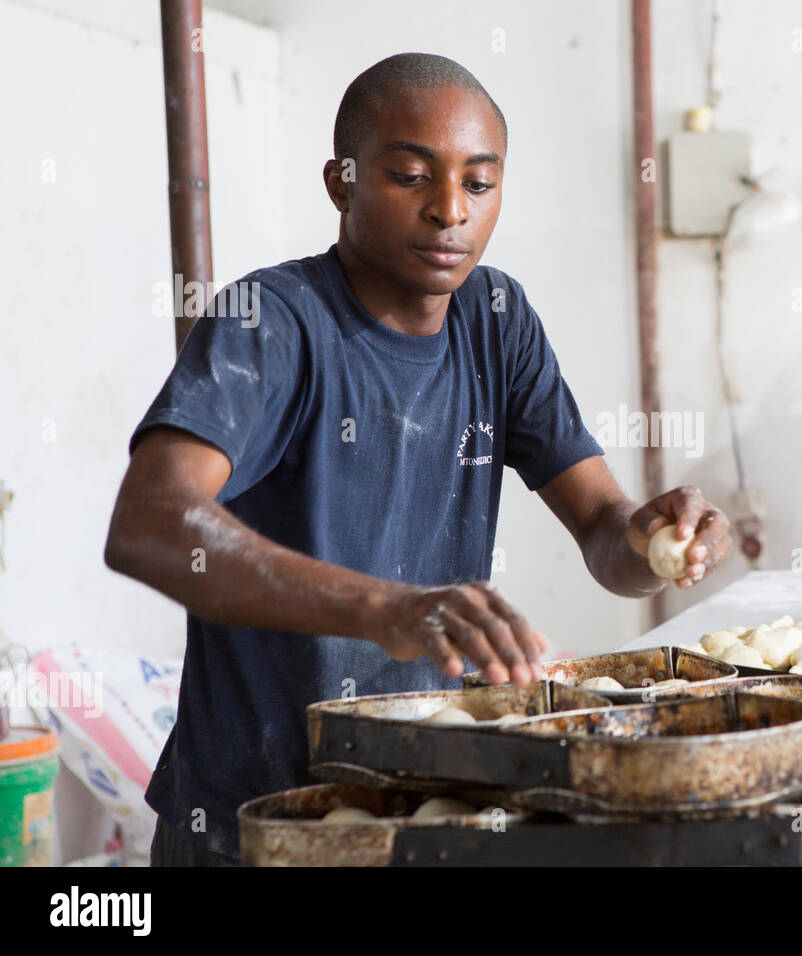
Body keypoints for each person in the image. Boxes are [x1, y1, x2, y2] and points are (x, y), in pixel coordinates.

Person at [104, 52, 732, 866]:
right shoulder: (275, 324)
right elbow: (150, 524)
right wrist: (391, 609)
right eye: (410, 176)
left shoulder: (497, 321)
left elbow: (609, 544)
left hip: (422, 806)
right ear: (342, 182)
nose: (448, 211)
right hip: (253, 823)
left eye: (479, 183)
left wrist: (654, 539)